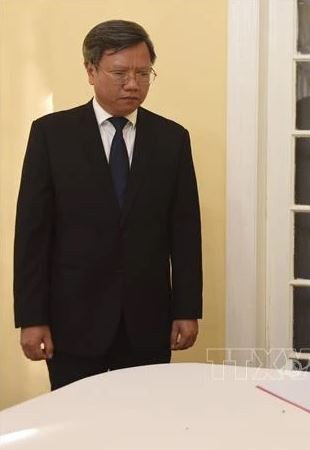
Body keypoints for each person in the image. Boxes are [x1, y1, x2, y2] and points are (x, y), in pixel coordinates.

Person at [13, 20, 203, 390]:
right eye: (120, 73)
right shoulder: (51, 136)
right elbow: (32, 235)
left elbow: (185, 231)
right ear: (90, 70)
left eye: (143, 73)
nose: (133, 84)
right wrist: (32, 318)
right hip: (72, 321)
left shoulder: (171, 139)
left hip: (147, 321)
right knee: (75, 427)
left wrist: (186, 309)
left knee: (145, 423)